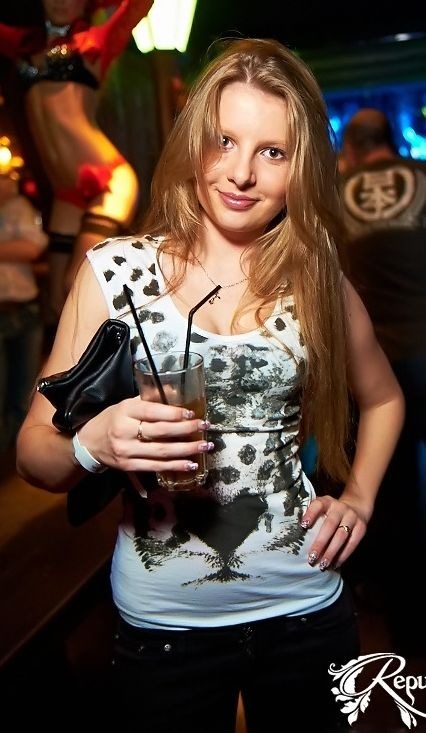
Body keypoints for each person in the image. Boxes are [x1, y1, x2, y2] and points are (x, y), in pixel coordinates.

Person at [16, 39, 404, 732]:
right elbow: (33, 454)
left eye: (272, 151)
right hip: (165, 624)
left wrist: (360, 499)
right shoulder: (115, 273)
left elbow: (384, 397)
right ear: (194, 139)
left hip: (306, 610)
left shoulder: (315, 276)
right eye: (224, 140)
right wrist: (93, 443)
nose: (241, 173)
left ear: (301, 165)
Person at [0, 0, 153, 324]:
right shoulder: (22, 45)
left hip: (108, 181)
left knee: (78, 284)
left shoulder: (97, 41)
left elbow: (138, 7)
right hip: (66, 196)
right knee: (57, 304)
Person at [338, 107, 426, 653]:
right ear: (392, 141)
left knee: (393, 500)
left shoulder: (336, 194)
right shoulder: (423, 176)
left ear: (349, 150)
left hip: (379, 365)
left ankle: (409, 631)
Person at [0, 136, 48, 454]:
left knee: (25, 395)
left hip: (26, 310)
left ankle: (16, 459)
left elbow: (33, 247)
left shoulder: (19, 207)